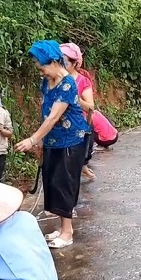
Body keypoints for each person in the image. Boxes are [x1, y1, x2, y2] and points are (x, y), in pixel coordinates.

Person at [15, 40, 90, 249]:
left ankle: (68, 232)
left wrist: (33, 139)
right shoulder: (46, 82)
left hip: (71, 141)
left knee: (64, 184)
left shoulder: (68, 85)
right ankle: (62, 227)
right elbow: (45, 113)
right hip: (53, 140)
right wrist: (42, 141)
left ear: (55, 61)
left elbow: (54, 117)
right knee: (53, 184)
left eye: (43, 69)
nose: (41, 73)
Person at [60, 43, 97, 181]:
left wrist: (74, 98)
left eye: (65, 62)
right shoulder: (54, 79)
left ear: (75, 63)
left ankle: (82, 166)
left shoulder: (83, 81)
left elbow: (90, 108)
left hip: (78, 125)